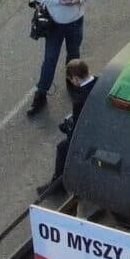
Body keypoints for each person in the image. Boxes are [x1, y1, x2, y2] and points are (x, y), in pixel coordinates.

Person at [27, 0, 97, 117]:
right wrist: (58, 1)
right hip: (54, 23)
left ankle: (73, 85)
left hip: (75, 21)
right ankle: (40, 95)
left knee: (74, 56)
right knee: (50, 59)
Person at [42, 57, 98, 196]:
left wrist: (69, 133)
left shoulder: (80, 98)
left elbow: (77, 127)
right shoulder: (99, 81)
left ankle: (58, 185)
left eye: (71, 80)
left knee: (63, 148)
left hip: (89, 135)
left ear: (75, 79)